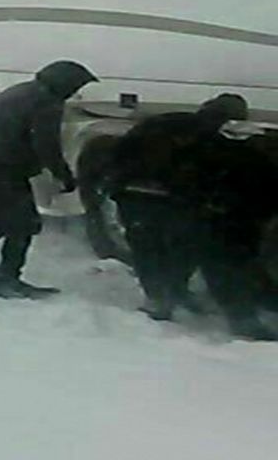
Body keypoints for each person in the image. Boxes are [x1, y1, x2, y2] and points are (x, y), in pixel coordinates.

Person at [104, 94, 277, 340]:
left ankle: (162, 299)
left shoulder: (162, 122)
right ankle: (236, 318)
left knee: (150, 249)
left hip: (133, 195)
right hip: (165, 199)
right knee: (199, 254)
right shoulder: (215, 143)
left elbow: (121, 150)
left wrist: (117, 182)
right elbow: (200, 181)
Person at [0, 60, 98, 298]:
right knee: (23, 224)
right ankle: (6, 278)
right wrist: (64, 176)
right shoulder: (46, 102)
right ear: (63, 83)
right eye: (75, 86)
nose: (75, 92)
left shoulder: (19, 91)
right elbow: (46, 144)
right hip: (0, 169)